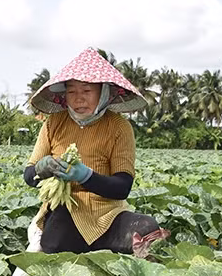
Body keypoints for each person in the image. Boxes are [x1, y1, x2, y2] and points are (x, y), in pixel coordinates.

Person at [24, 47, 168, 256]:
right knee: (55, 240)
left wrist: (85, 176)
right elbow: (29, 176)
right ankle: (95, 252)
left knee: (147, 228)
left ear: (104, 92)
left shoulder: (119, 126)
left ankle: (100, 248)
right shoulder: (54, 123)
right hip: (67, 208)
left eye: (86, 91)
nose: (78, 98)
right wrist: (41, 168)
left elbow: (122, 187)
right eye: (71, 91)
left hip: (108, 214)